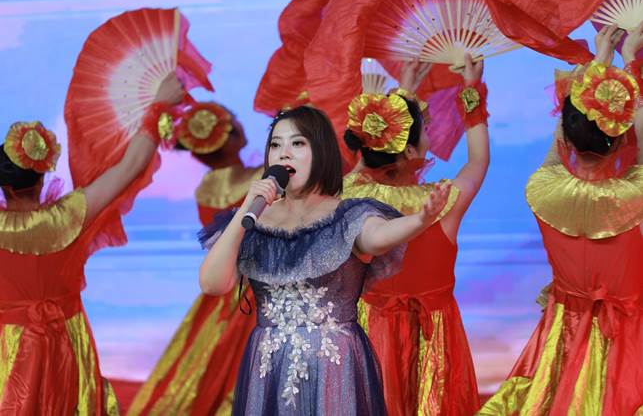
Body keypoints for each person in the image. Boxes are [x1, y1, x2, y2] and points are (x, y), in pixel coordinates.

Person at [198, 105, 451, 415]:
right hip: (268, 366)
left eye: (297, 143)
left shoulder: (348, 213)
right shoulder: (255, 218)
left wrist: (419, 221)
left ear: (321, 151)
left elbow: (378, 236)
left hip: (334, 368)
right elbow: (213, 284)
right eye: (275, 145)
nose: (284, 153)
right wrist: (247, 208)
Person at [479, 23, 643, 415]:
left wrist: (601, 63)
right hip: (631, 339)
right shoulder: (634, 195)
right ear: (620, 137)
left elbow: (564, 138)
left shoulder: (542, 187)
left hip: (565, 332)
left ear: (567, 135)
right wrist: (629, 64)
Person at [0, 73, 183, 415]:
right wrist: (157, 106)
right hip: (66, 342)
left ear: (4, 185)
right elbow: (130, 167)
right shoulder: (69, 216)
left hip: (5, 347)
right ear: (43, 175)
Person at [342, 55, 489, 415]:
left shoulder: (350, 194)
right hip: (434, 333)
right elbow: (478, 161)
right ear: (410, 150)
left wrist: (402, 95)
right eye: (424, 129)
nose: (429, 134)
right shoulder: (443, 201)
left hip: (371, 330)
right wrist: (471, 91)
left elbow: (364, 163)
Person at [128, 101, 262, 416]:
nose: (240, 124)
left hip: (224, 285)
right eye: (234, 120)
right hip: (260, 285)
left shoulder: (205, 189)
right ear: (227, 136)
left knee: (208, 363)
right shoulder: (259, 178)